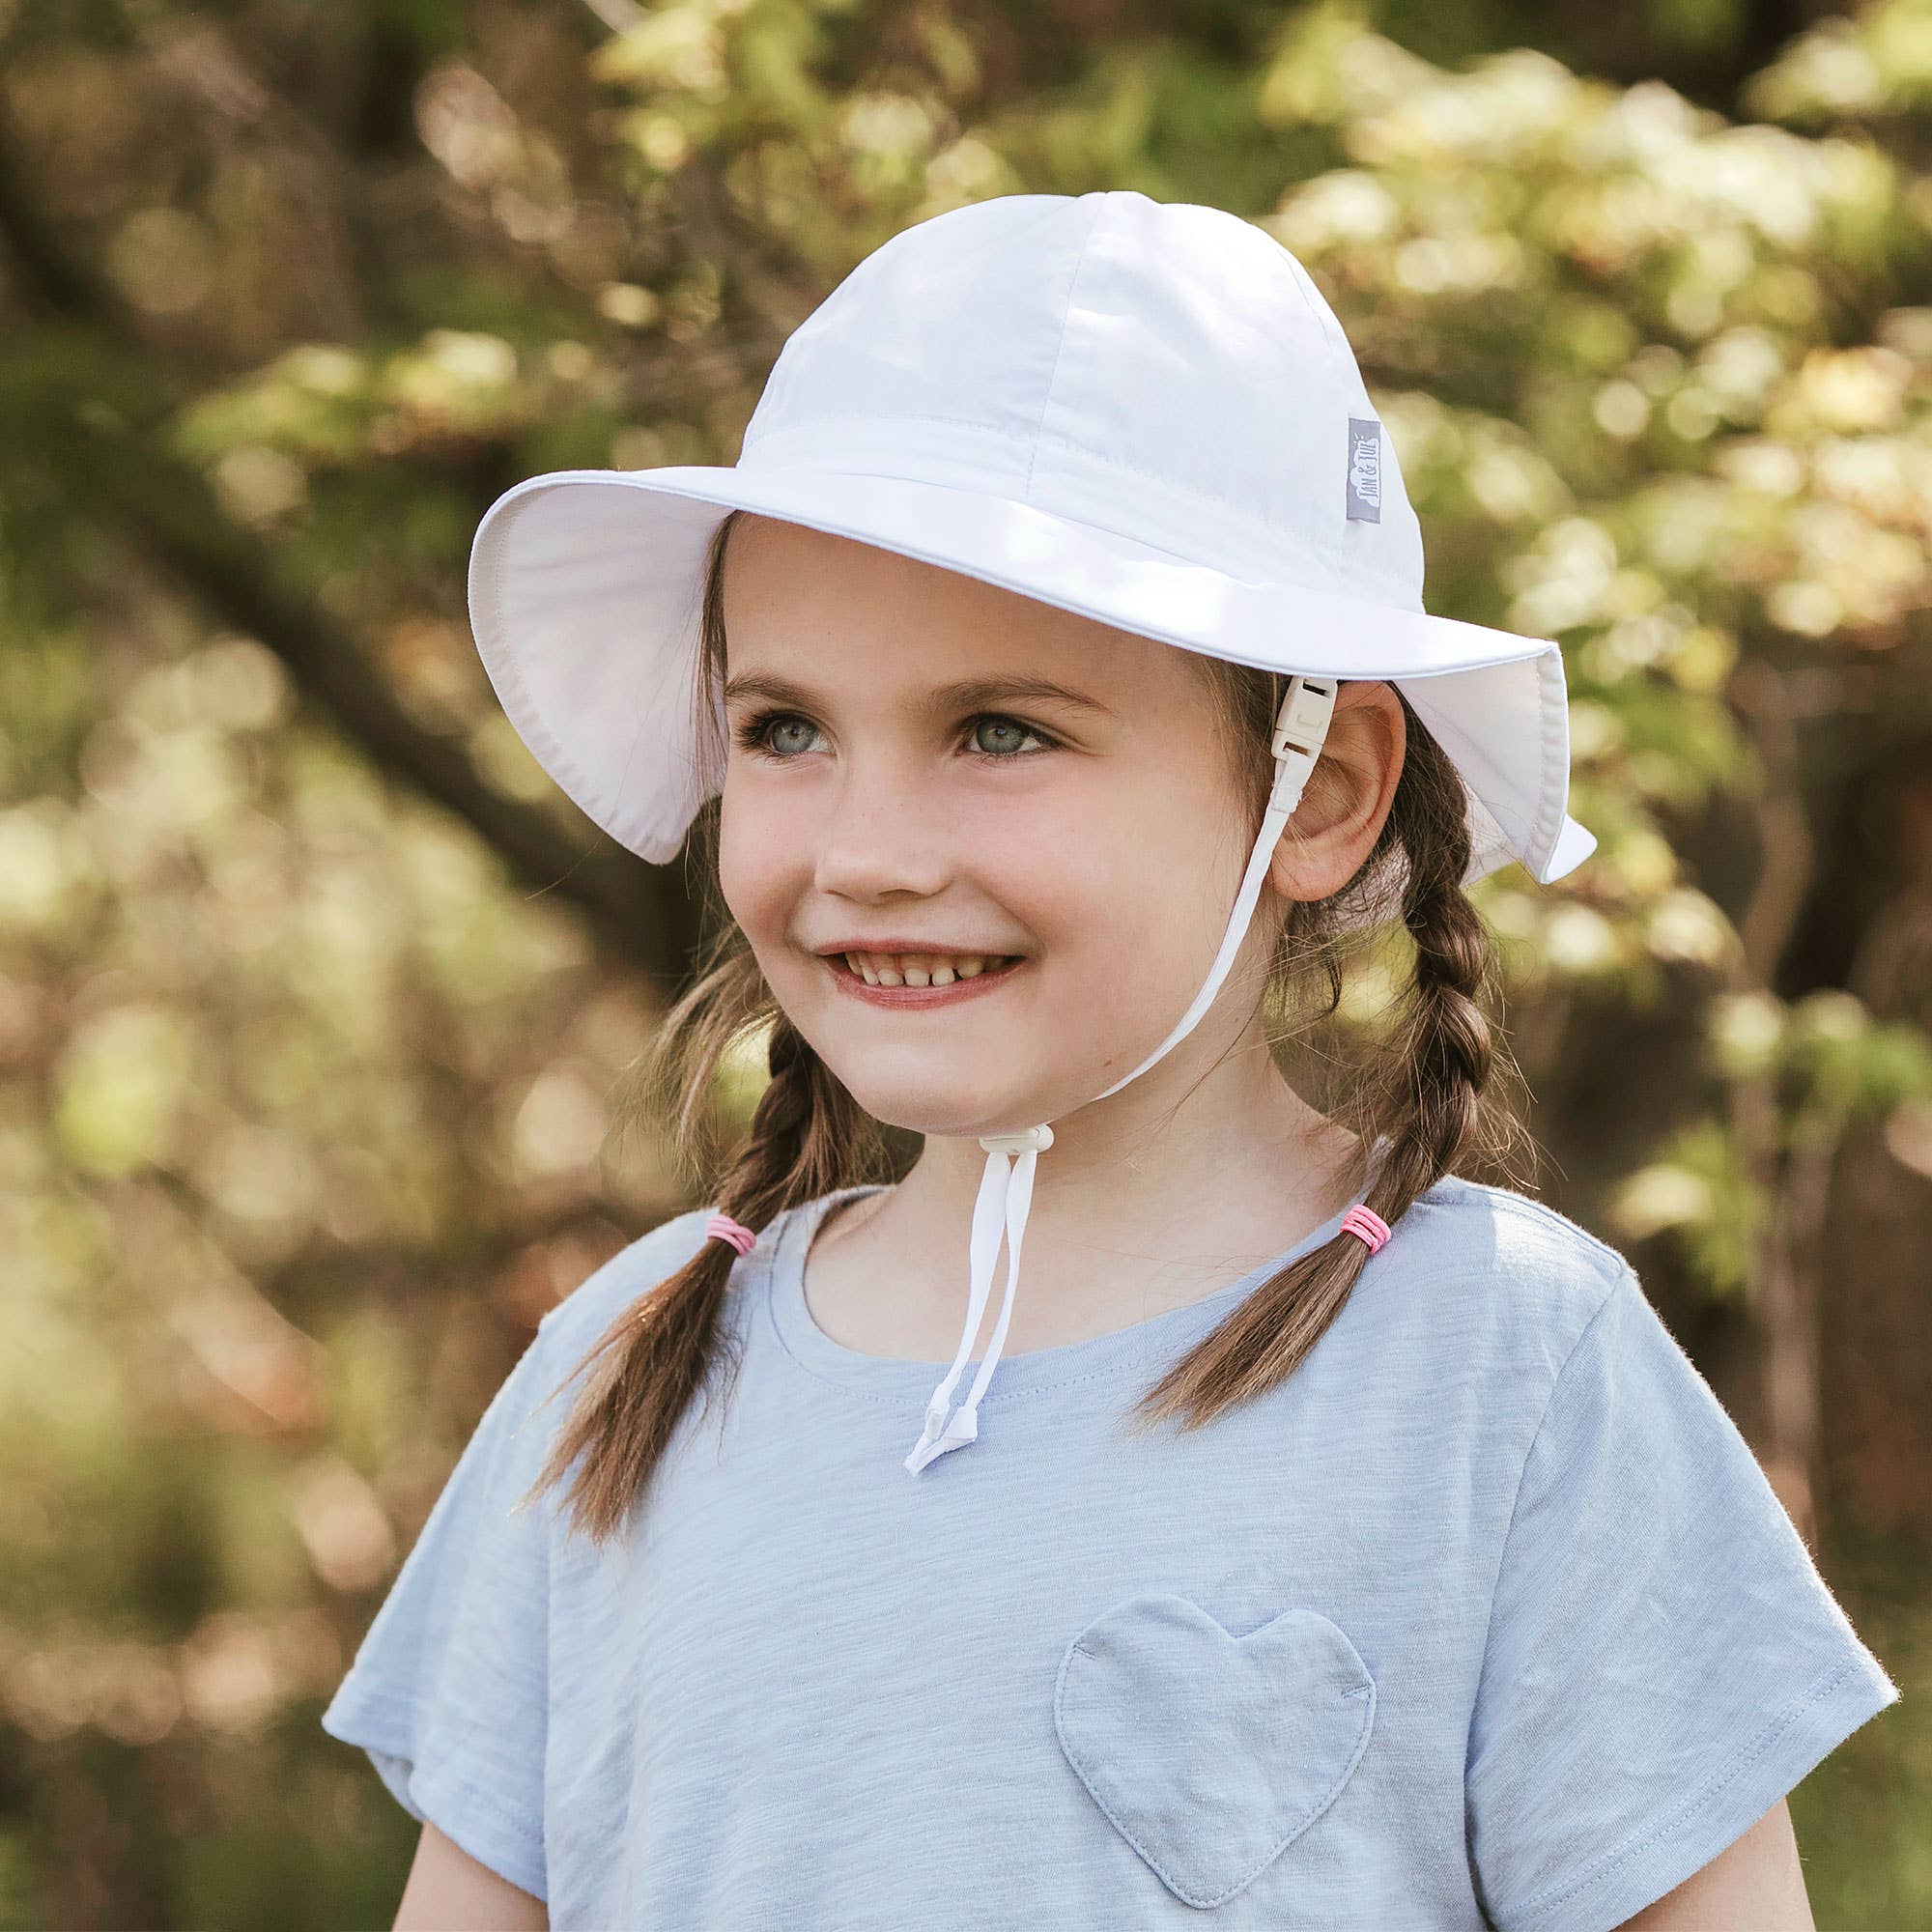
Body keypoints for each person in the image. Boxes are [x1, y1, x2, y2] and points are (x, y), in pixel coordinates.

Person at [321, 191, 1898, 1931]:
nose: (866, 852)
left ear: (1318, 794)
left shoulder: (1506, 1376)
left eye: (1000, 730)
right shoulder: (625, 1369)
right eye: (784, 729)